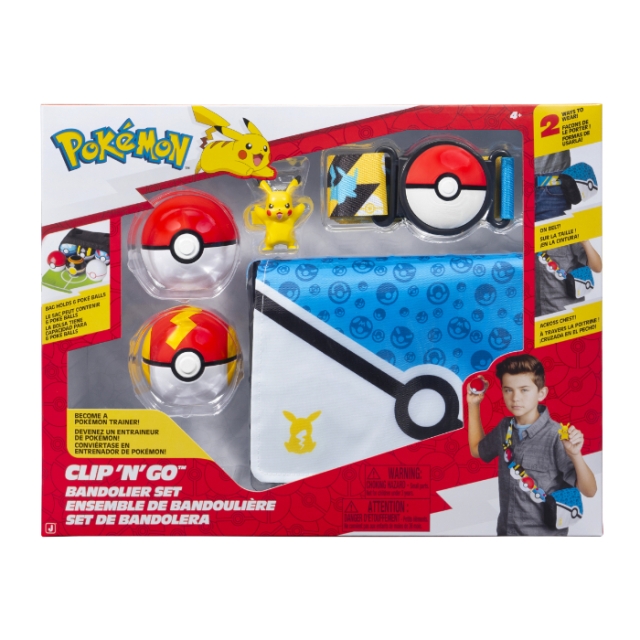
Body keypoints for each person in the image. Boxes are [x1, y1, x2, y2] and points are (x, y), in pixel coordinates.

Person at [467, 354, 597, 536]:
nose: (515, 398)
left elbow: (590, 491)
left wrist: (575, 455)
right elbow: (476, 450)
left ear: (541, 393)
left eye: (524, 390)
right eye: (508, 390)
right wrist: (474, 405)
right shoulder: (504, 428)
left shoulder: (557, 436)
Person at [535, 240, 602, 317]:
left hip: (565, 310)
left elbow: (597, 267)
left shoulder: (571, 237)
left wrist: (585, 242)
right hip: (536, 311)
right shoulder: (529, 237)